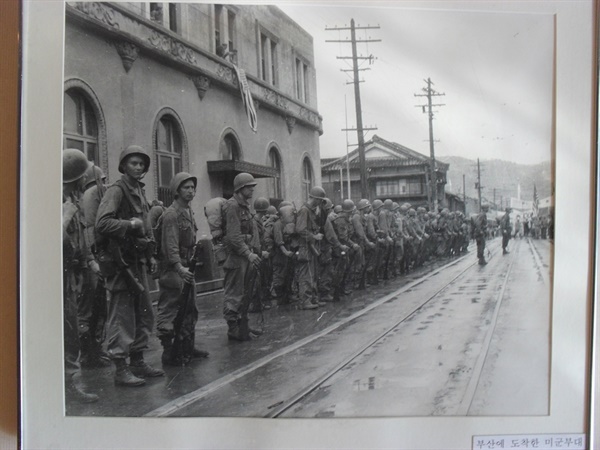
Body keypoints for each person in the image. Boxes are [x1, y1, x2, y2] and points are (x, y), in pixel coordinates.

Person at [96, 145, 164, 386]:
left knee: (144, 314)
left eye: (141, 164)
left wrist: (151, 253)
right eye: (133, 163)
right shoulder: (116, 191)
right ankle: (120, 368)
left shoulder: (138, 190)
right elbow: (102, 224)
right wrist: (129, 224)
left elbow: (146, 224)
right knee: (122, 317)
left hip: (138, 262)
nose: (138, 167)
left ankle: (137, 361)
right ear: (123, 165)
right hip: (121, 264)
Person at [157, 172, 209, 366]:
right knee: (172, 309)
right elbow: (170, 246)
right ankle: (169, 351)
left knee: (190, 308)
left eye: (192, 188)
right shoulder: (171, 214)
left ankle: (187, 345)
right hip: (174, 269)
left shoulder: (187, 211)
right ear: (176, 191)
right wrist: (180, 268)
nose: (191, 191)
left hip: (187, 267)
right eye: (186, 187)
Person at [62, 148, 99, 403]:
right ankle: (66, 389)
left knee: (71, 331)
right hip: (56, 279)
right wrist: (64, 217)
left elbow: (81, 240)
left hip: (71, 277)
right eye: (83, 177)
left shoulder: (73, 202)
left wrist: (89, 262)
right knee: (65, 333)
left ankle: (67, 386)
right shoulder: (61, 205)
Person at [78, 164, 111, 369]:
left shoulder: (83, 197)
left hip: (91, 259)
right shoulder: (94, 195)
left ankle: (90, 352)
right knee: (93, 309)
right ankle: (91, 353)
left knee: (92, 309)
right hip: (93, 259)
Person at [222, 173, 262, 340]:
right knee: (234, 293)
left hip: (245, 256)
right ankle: (233, 328)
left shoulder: (244, 206)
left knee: (245, 292)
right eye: (249, 186)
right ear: (240, 188)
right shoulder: (232, 206)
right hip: (236, 257)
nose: (252, 189)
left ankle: (242, 326)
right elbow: (234, 236)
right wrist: (248, 253)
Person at [295, 186, 327, 309]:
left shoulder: (311, 211)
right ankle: (305, 301)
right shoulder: (304, 210)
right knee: (306, 275)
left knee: (313, 274)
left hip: (311, 247)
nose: (320, 202)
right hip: (305, 248)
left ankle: (312, 298)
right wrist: (314, 236)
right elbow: (300, 229)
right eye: (319, 200)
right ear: (314, 198)